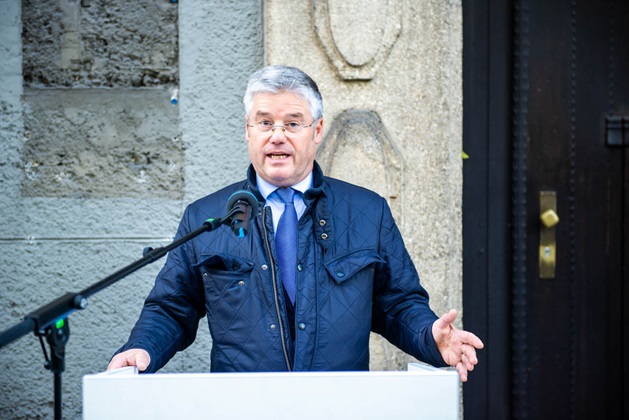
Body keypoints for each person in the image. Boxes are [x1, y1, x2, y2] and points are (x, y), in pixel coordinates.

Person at [108, 65, 483, 381]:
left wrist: (428, 336)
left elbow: (397, 303)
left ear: (316, 131)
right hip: (242, 407)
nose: (277, 136)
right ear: (247, 131)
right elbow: (172, 307)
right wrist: (140, 348)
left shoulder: (368, 211)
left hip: (340, 406)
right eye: (265, 122)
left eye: (293, 123)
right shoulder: (207, 218)